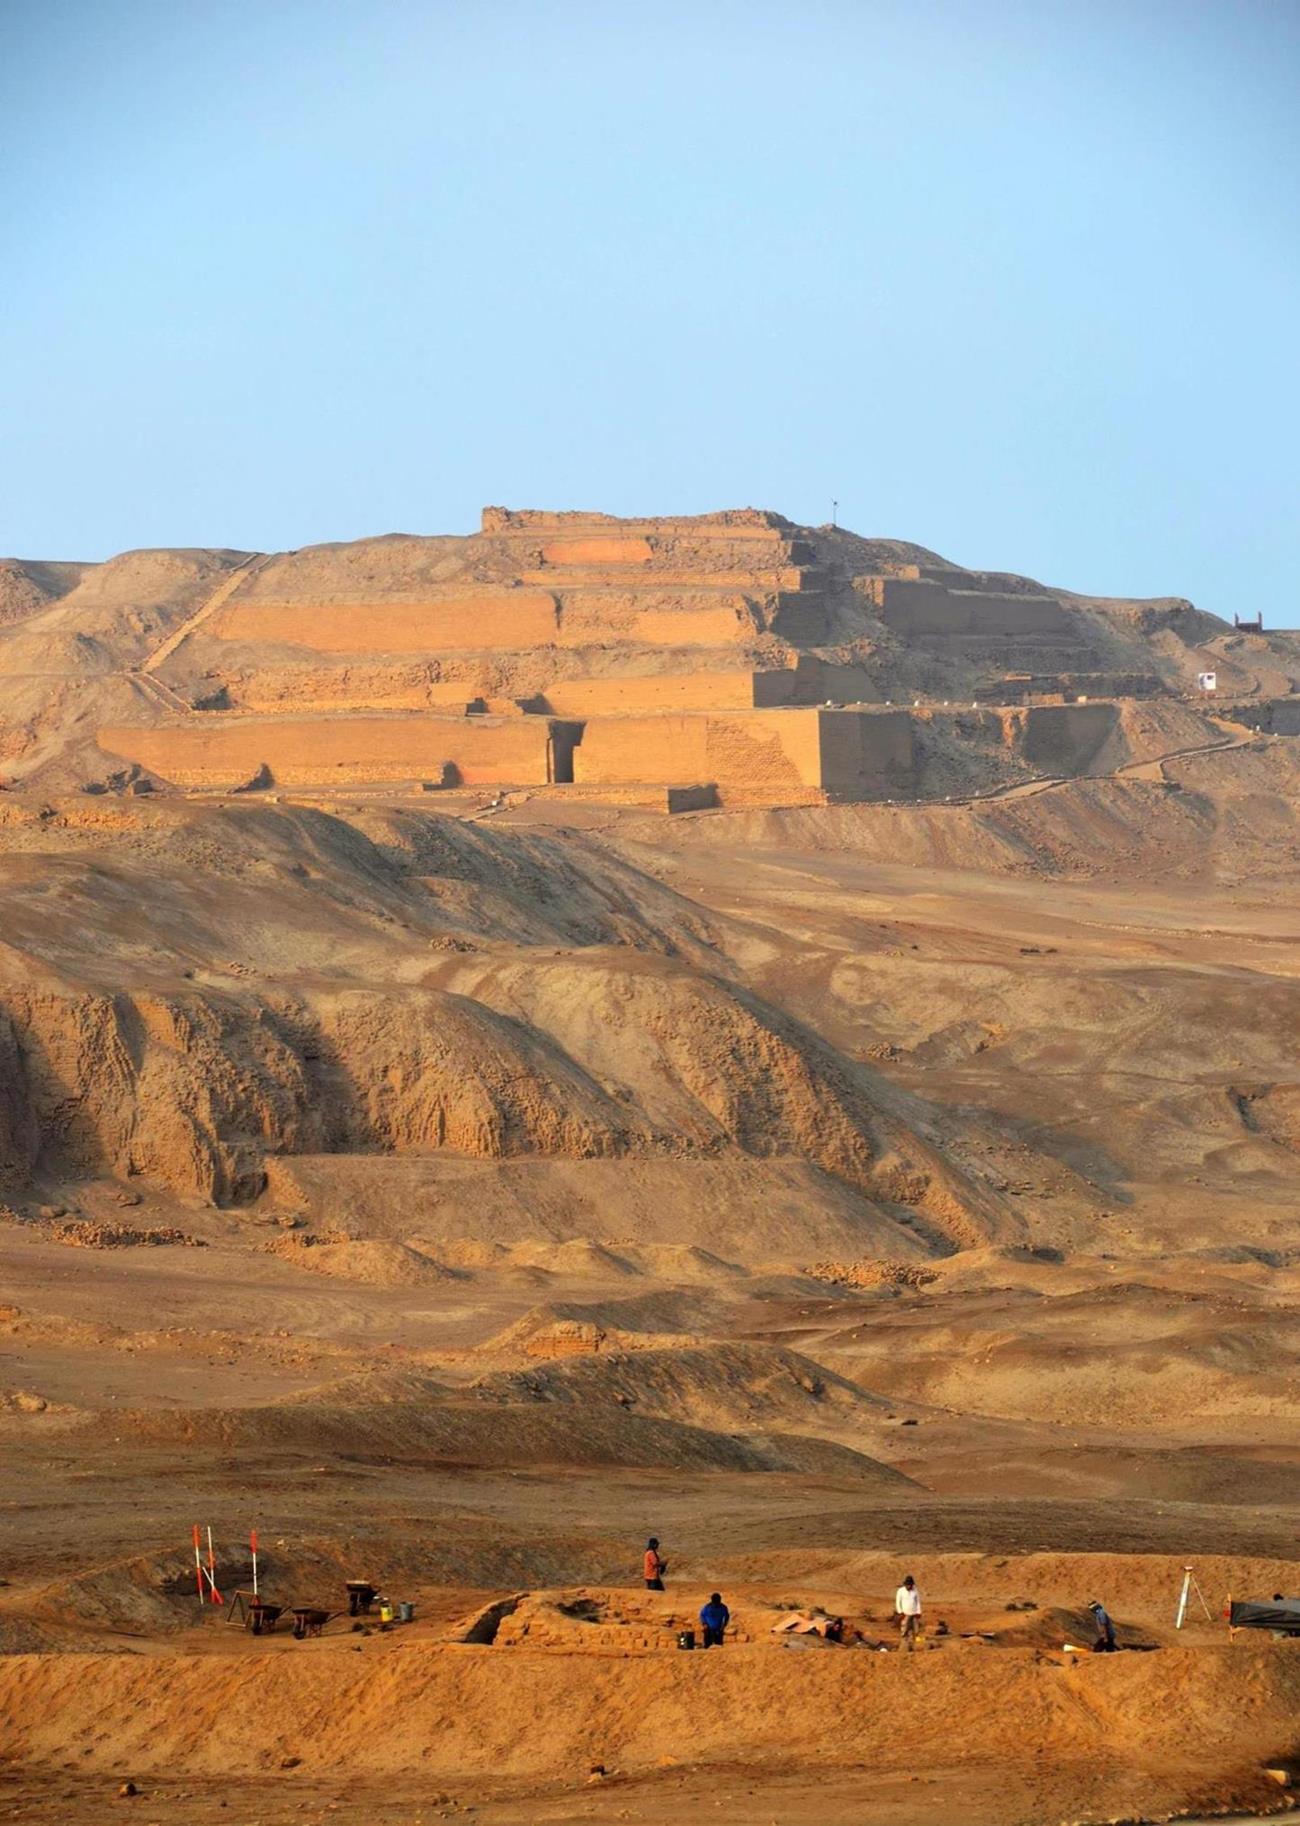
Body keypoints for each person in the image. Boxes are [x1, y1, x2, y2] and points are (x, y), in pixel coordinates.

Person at [895, 1574, 922, 1650]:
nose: (908, 1586)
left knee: (915, 1628)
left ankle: (914, 1642)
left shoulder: (915, 1590)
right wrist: (900, 1612)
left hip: (914, 1612)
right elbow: (898, 1602)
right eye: (907, 1585)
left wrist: (919, 1612)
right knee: (905, 1628)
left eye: (910, 1585)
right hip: (905, 1613)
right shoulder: (900, 1591)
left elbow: (918, 1602)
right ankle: (904, 1643)